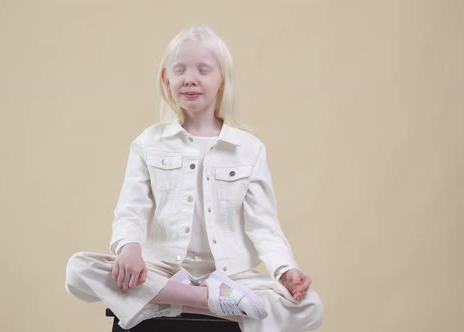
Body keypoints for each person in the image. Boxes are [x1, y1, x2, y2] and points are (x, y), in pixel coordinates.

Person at [65, 25, 324, 331]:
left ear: (222, 82)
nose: (190, 78)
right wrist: (129, 248)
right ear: (166, 79)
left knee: (310, 307)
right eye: (180, 70)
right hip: (161, 269)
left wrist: (285, 270)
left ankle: (167, 301)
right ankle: (207, 301)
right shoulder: (148, 142)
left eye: (203, 70)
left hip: (232, 276)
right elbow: (130, 209)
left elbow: (264, 224)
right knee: (78, 270)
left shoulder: (249, 149)